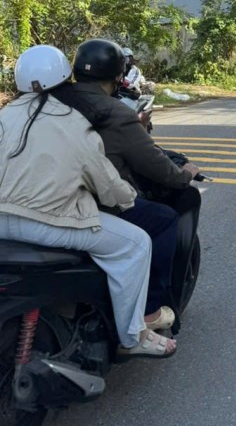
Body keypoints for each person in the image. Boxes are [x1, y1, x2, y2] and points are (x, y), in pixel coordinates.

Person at [0, 45, 176, 358]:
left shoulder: (5, 115)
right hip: (46, 222)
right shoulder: (72, 121)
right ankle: (133, 336)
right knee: (135, 244)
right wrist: (128, 198)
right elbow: (106, 184)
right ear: (66, 76)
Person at [53, 40, 198, 331]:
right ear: (118, 76)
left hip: (42, 196)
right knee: (163, 218)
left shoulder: (50, 102)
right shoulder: (115, 112)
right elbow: (153, 163)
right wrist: (184, 175)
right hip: (85, 204)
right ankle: (148, 310)